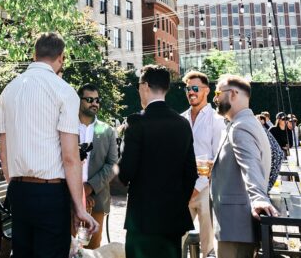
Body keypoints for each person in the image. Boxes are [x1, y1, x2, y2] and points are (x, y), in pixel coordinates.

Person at [0, 32, 97, 258]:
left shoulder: (8, 91)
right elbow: (70, 157)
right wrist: (79, 208)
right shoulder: (64, 91)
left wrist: (16, 185)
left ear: (34, 54)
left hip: (19, 191)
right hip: (51, 193)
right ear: (61, 57)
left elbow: (4, 150)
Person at [117, 64, 197, 258]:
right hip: (173, 218)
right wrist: (178, 202)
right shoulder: (183, 124)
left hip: (143, 218)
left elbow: (126, 171)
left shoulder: (136, 122)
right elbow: (191, 173)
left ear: (144, 86)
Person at [211, 74, 276, 258]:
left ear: (232, 94)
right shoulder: (247, 123)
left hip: (235, 228)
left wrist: (258, 197)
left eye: (217, 92)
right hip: (236, 227)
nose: (215, 98)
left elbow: (251, 165)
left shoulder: (241, 126)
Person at [181, 70, 225, 258]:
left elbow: (217, 158)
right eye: (188, 88)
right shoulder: (181, 119)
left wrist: (198, 187)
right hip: (182, 188)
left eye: (195, 88)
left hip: (207, 188)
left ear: (206, 90)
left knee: (209, 245)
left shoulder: (217, 120)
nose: (191, 92)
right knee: (176, 236)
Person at [75, 83, 119, 250]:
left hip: (97, 199)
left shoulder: (107, 130)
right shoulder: (67, 127)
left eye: (97, 100)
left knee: (92, 249)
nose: (94, 103)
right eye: (89, 99)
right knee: (70, 248)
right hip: (68, 199)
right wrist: (77, 191)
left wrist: (89, 187)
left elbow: (112, 164)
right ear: (79, 101)